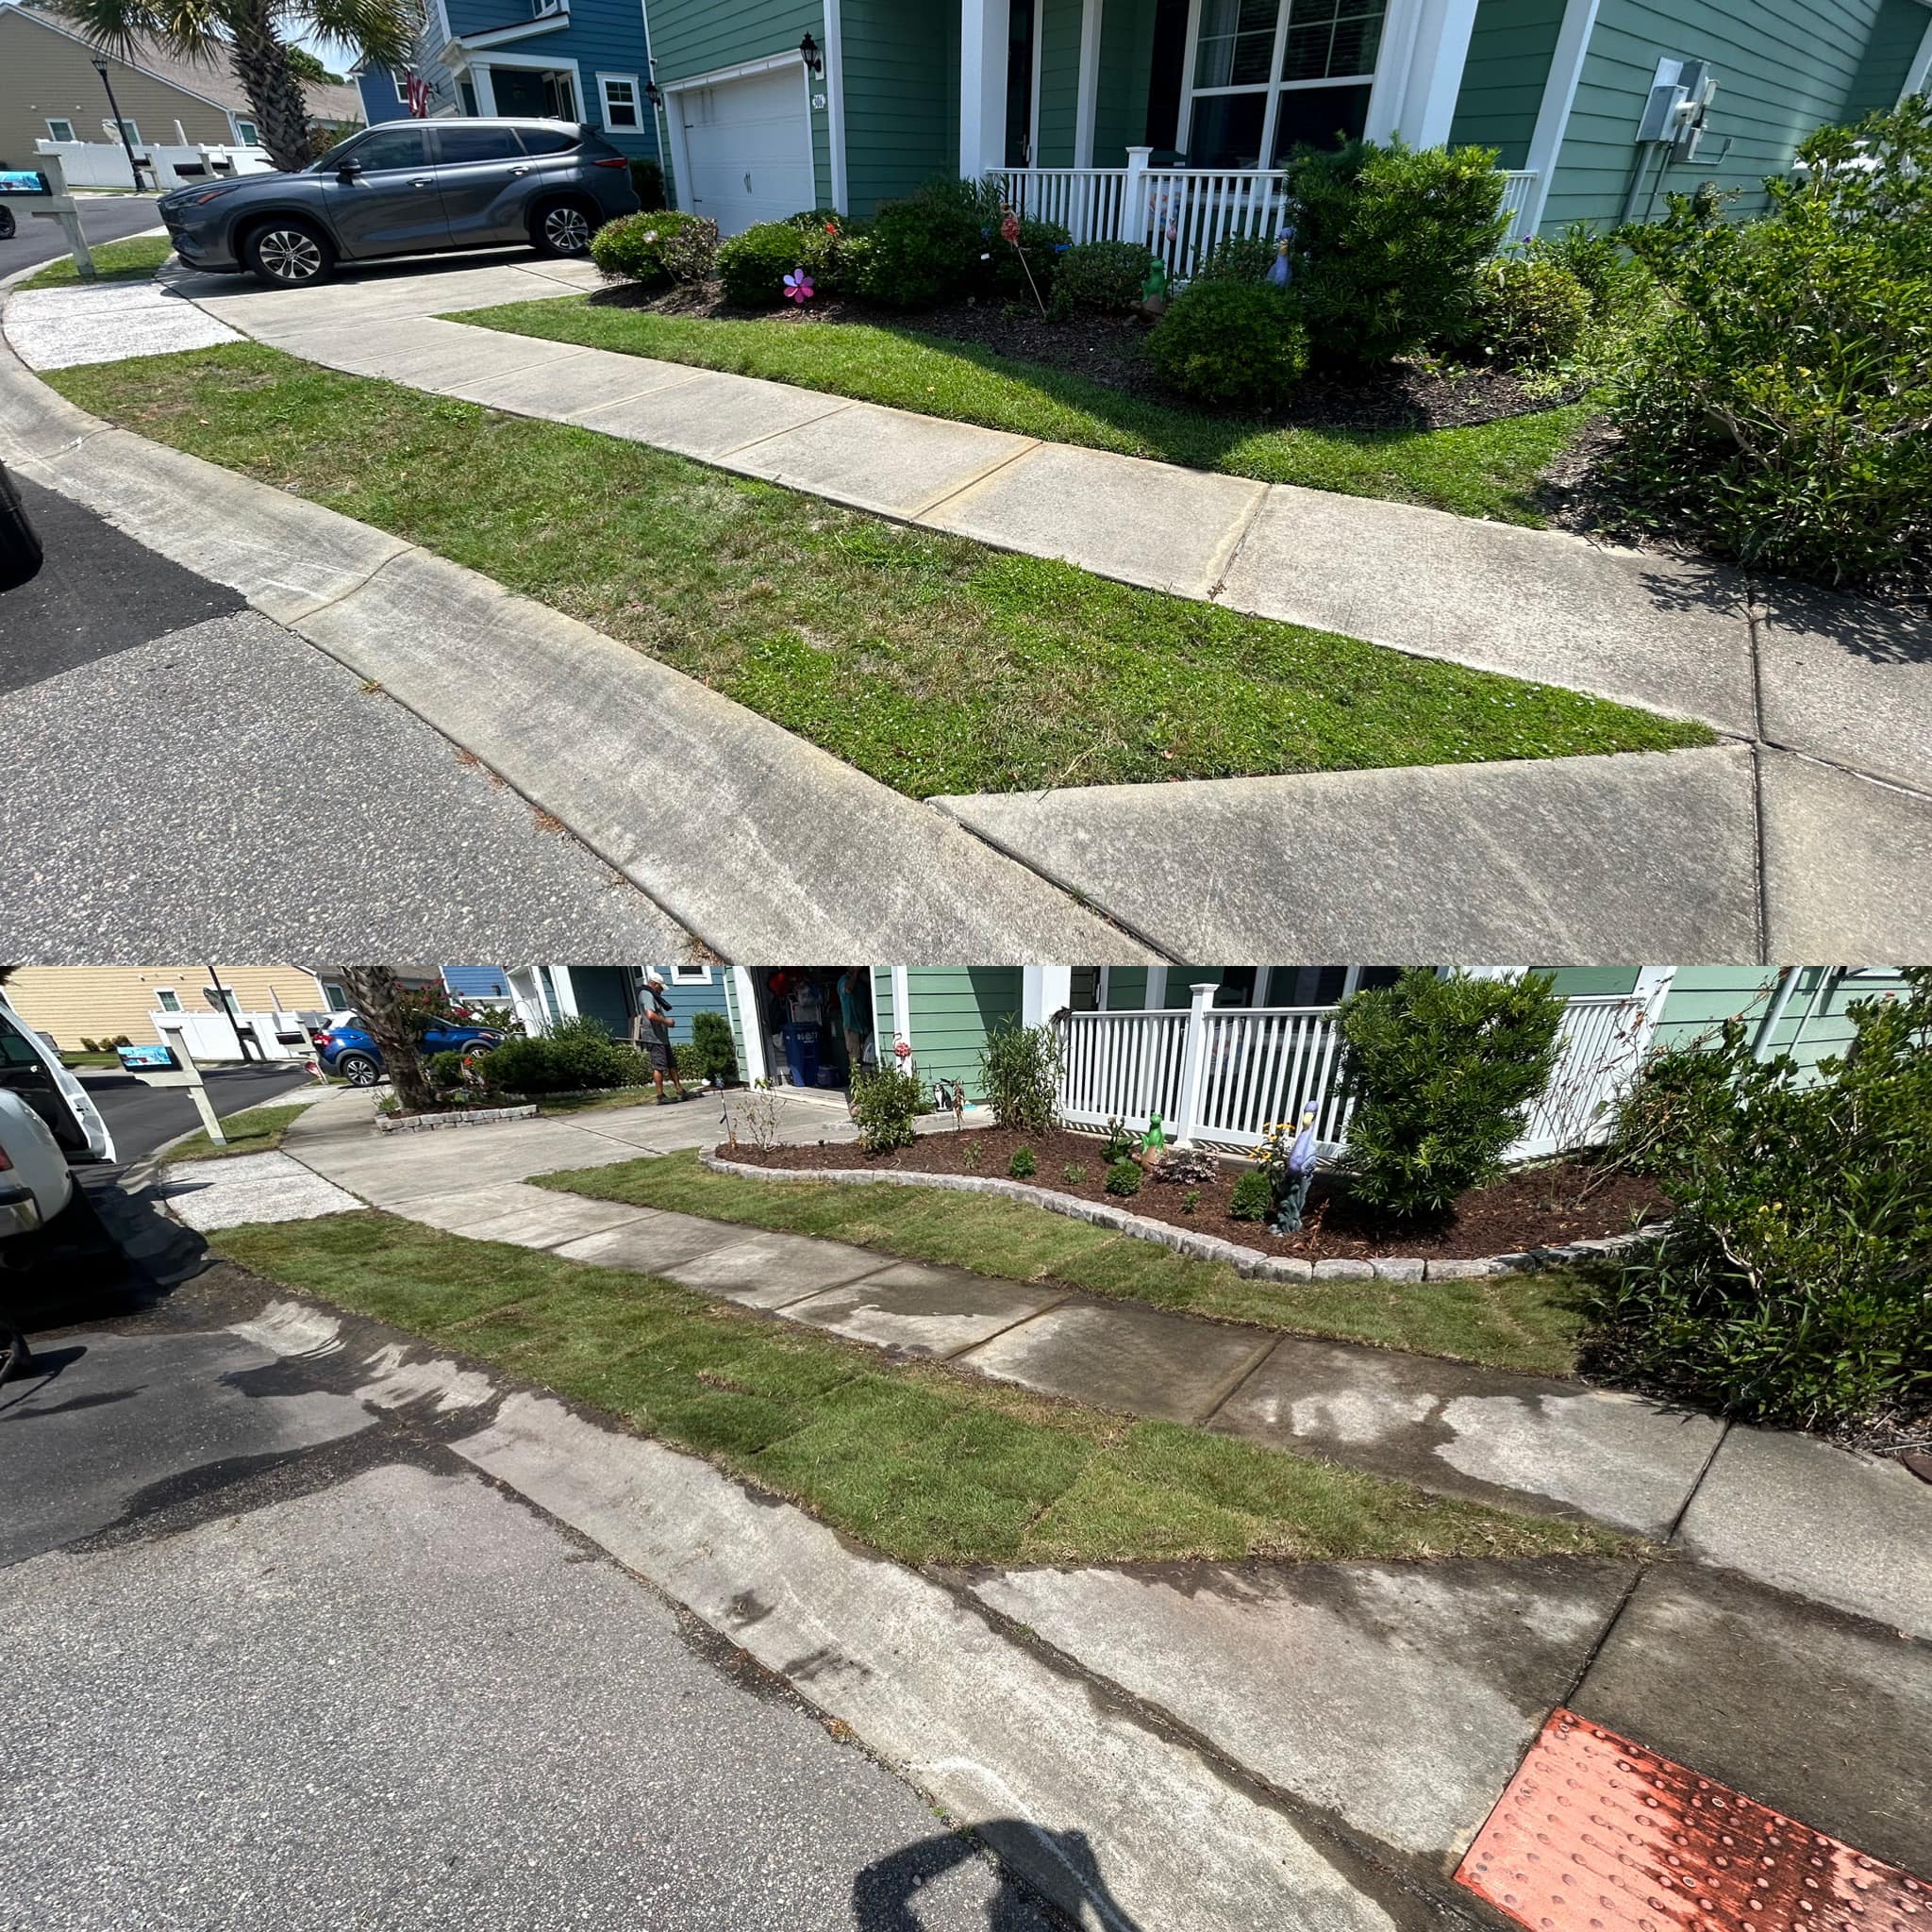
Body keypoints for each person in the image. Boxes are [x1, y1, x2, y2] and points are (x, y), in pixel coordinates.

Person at [641, 970, 689, 1104]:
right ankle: (660, 1096)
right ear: (654, 984)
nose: (661, 990)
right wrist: (666, 1021)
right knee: (659, 1067)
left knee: (672, 1064)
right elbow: (650, 1015)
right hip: (654, 1037)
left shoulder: (652, 995)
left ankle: (680, 1090)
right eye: (660, 987)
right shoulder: (646, 994)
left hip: (662, 1037)